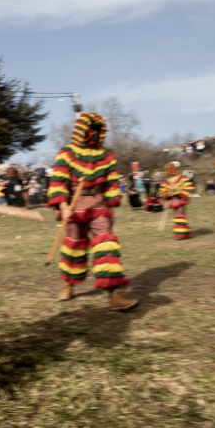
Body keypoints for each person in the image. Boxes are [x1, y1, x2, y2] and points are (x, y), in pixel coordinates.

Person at [46, 112, 138, 311]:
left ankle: (114, 293)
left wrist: (113, 197)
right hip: (74, 205)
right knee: (75, 245)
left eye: (97, 131)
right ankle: (68, 284)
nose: (93, 134)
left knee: (106, 244)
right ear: (81, 130)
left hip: (99, 204)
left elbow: (113, 179)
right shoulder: (67, 153)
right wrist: (62, 206)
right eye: (90, 130)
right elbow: (58, 181)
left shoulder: (107, 154)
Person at [159, 161, 194, 240]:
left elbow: (188, 188)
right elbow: (162, 191)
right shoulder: (167, 180)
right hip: (173, 200)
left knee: (180, 214)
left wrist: (178, 192)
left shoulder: (182, 178)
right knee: (177, 215)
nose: (171, 171)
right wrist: (167, 194)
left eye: (172, 169)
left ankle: (180, 234)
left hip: (180, 199)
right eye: (169, 169)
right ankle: (184, 233)